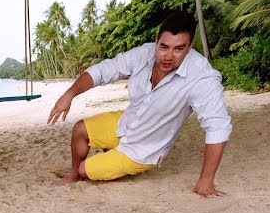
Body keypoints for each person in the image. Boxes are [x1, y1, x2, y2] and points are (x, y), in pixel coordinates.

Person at [47, 11, 232, 197]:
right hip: (126, 123)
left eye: (178, 49)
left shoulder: (202, 77)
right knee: (80, 129)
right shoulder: (144, 53)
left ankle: (88, 168)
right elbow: (104, 70)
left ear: (190, 46)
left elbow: (218, 127)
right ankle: (73, 176)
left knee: (84, 169)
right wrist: (70, 94)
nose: (168, 56)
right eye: (164, 47)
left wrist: (205, 182)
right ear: (156, 41)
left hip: (143, 150)